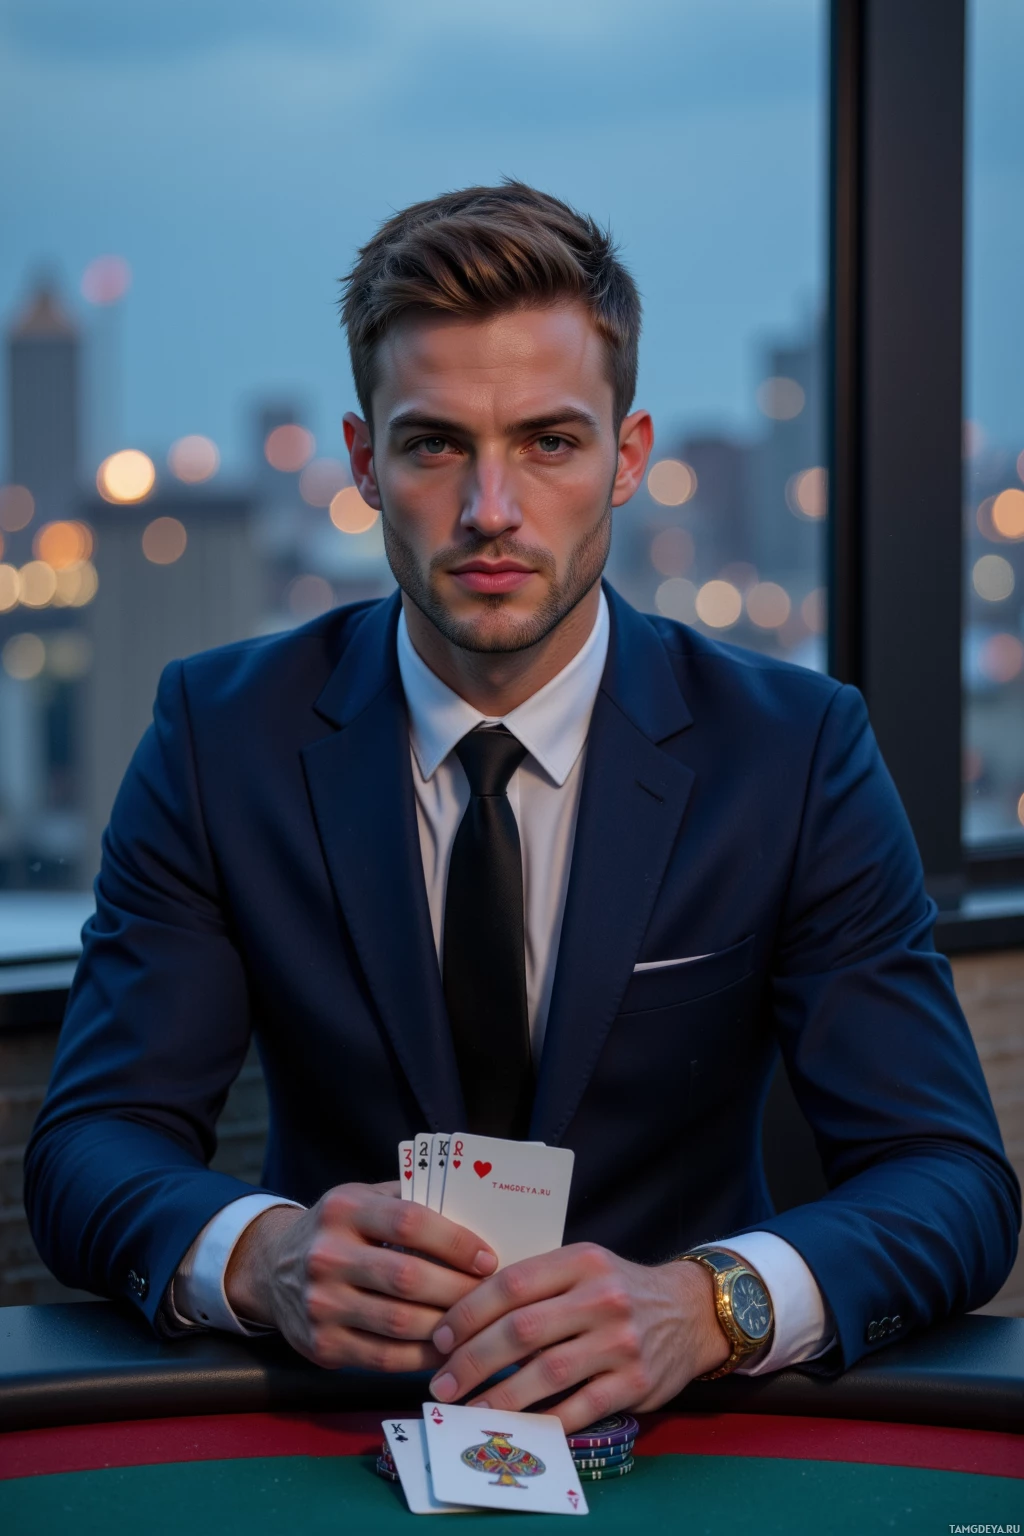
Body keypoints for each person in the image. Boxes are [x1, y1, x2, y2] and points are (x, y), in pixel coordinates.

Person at [26, 183, 1018, 1432]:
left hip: (690, 1442)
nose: (490, 511)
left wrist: (710, 1308)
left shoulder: (795, 752)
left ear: (629, 456)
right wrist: (262, 1260)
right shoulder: (222, 737)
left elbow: (952, 1182)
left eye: (549, 442)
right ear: (362, 463)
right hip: (334, 1432)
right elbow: (88, 1147)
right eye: (435, 443)